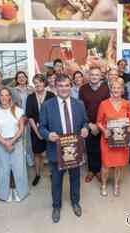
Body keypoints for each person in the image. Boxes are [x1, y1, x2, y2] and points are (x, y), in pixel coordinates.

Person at [39, 74, 89, 223]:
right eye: (60, 86)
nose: (64, 88)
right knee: (56, 181)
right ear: (55, 87)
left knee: (75, 179)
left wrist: (85, 129)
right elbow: (41, 127)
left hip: (75, 150)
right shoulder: (47, 105)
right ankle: (56, 206)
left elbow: (85, 122)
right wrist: (48, 135)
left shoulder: (79, 104)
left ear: (70, 86)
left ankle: (75, 202)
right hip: (56, 150)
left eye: (67, 85)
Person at [97, 78, 130, 197]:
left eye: (119, 88)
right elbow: (98, 122)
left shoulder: (127, 104)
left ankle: (116, 185)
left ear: (122, 90)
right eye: (114, 87)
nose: (116, 90)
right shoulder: (103, 104)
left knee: (119, 165)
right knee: (106, 165)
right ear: (110, 89)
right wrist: (104, 130)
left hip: (122, 141)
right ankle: (103, 184)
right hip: (107, 140)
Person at [0, 87, 29, 202]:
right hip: (1, 143)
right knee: (3, 170)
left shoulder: (18, 110)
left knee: (19, 169)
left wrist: (11, 141)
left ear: (10, 97)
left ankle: (20, 192)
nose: (4, 98)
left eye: (6, 95)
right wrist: (5, 142)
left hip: (16, 143)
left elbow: (21, 129)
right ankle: (4, 194)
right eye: (1, 95)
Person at [79, 66, 110, 183]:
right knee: (90, 147)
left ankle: (98, 171)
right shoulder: (83, 89)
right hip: (89, 124)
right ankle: (91, 170)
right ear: (88, 76)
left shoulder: (105, 88)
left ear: (101, 76)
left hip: (102, 124)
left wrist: (99, 125)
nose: (94, 77)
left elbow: (107, 107)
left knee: (100, 148)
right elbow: (81, 108)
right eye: (92, 74)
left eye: (97, 75)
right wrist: (89, 124)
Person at [26, 74, 55, 186]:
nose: (37, 84)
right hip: (35, 129)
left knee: (51, 152)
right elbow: (30, 116)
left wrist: (47, 132)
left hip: (50, 129)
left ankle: (53, 173)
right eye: (35, 82)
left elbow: (54, 114)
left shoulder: (51, 95)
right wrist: (37, 132)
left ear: (44, 83)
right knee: (37, 153)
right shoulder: (30, 97)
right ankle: (37, 174)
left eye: (39, 82)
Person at [12, 71, 34, 167]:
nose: (21, 78)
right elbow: (12, 105)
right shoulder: (13, 91)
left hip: (30, 118)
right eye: (19, 77)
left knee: (30, 139)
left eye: (23, 77)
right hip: (18, 119)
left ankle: (30, 158)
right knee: (18, 139)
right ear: (16, 79)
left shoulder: (31, 89)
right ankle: (20, 159)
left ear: (26, 78)